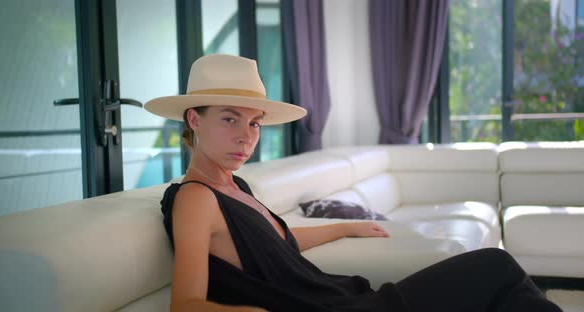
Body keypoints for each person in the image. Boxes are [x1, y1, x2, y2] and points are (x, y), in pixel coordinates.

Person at [145, 54, 562, 312]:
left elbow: (281, 242)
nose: (246, 135)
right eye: (229, 118)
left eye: (254, 123)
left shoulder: (238, 189)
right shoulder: (195, 199)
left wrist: (348, 226)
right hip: (333, 309)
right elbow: (185, 305)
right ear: (195, 120)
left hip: (345, 298)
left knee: (501, 292)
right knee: (495, 266)